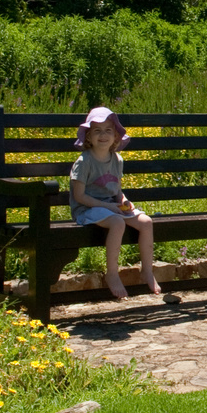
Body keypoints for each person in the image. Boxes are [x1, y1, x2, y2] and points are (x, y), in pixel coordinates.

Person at [70, 106, 161, 300]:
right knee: (117, 223)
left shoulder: (117, 159)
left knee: (146, 222)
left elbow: (116, 191)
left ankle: (147, 270)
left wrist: (124, 201)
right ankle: (112, 273)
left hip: (111, 206)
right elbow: (79, 197)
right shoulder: (84, 161)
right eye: (97, 131)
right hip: (87, 209)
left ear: (115, 137)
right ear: (88, 137)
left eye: (108, 130)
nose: (103, 135)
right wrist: (108, 207)